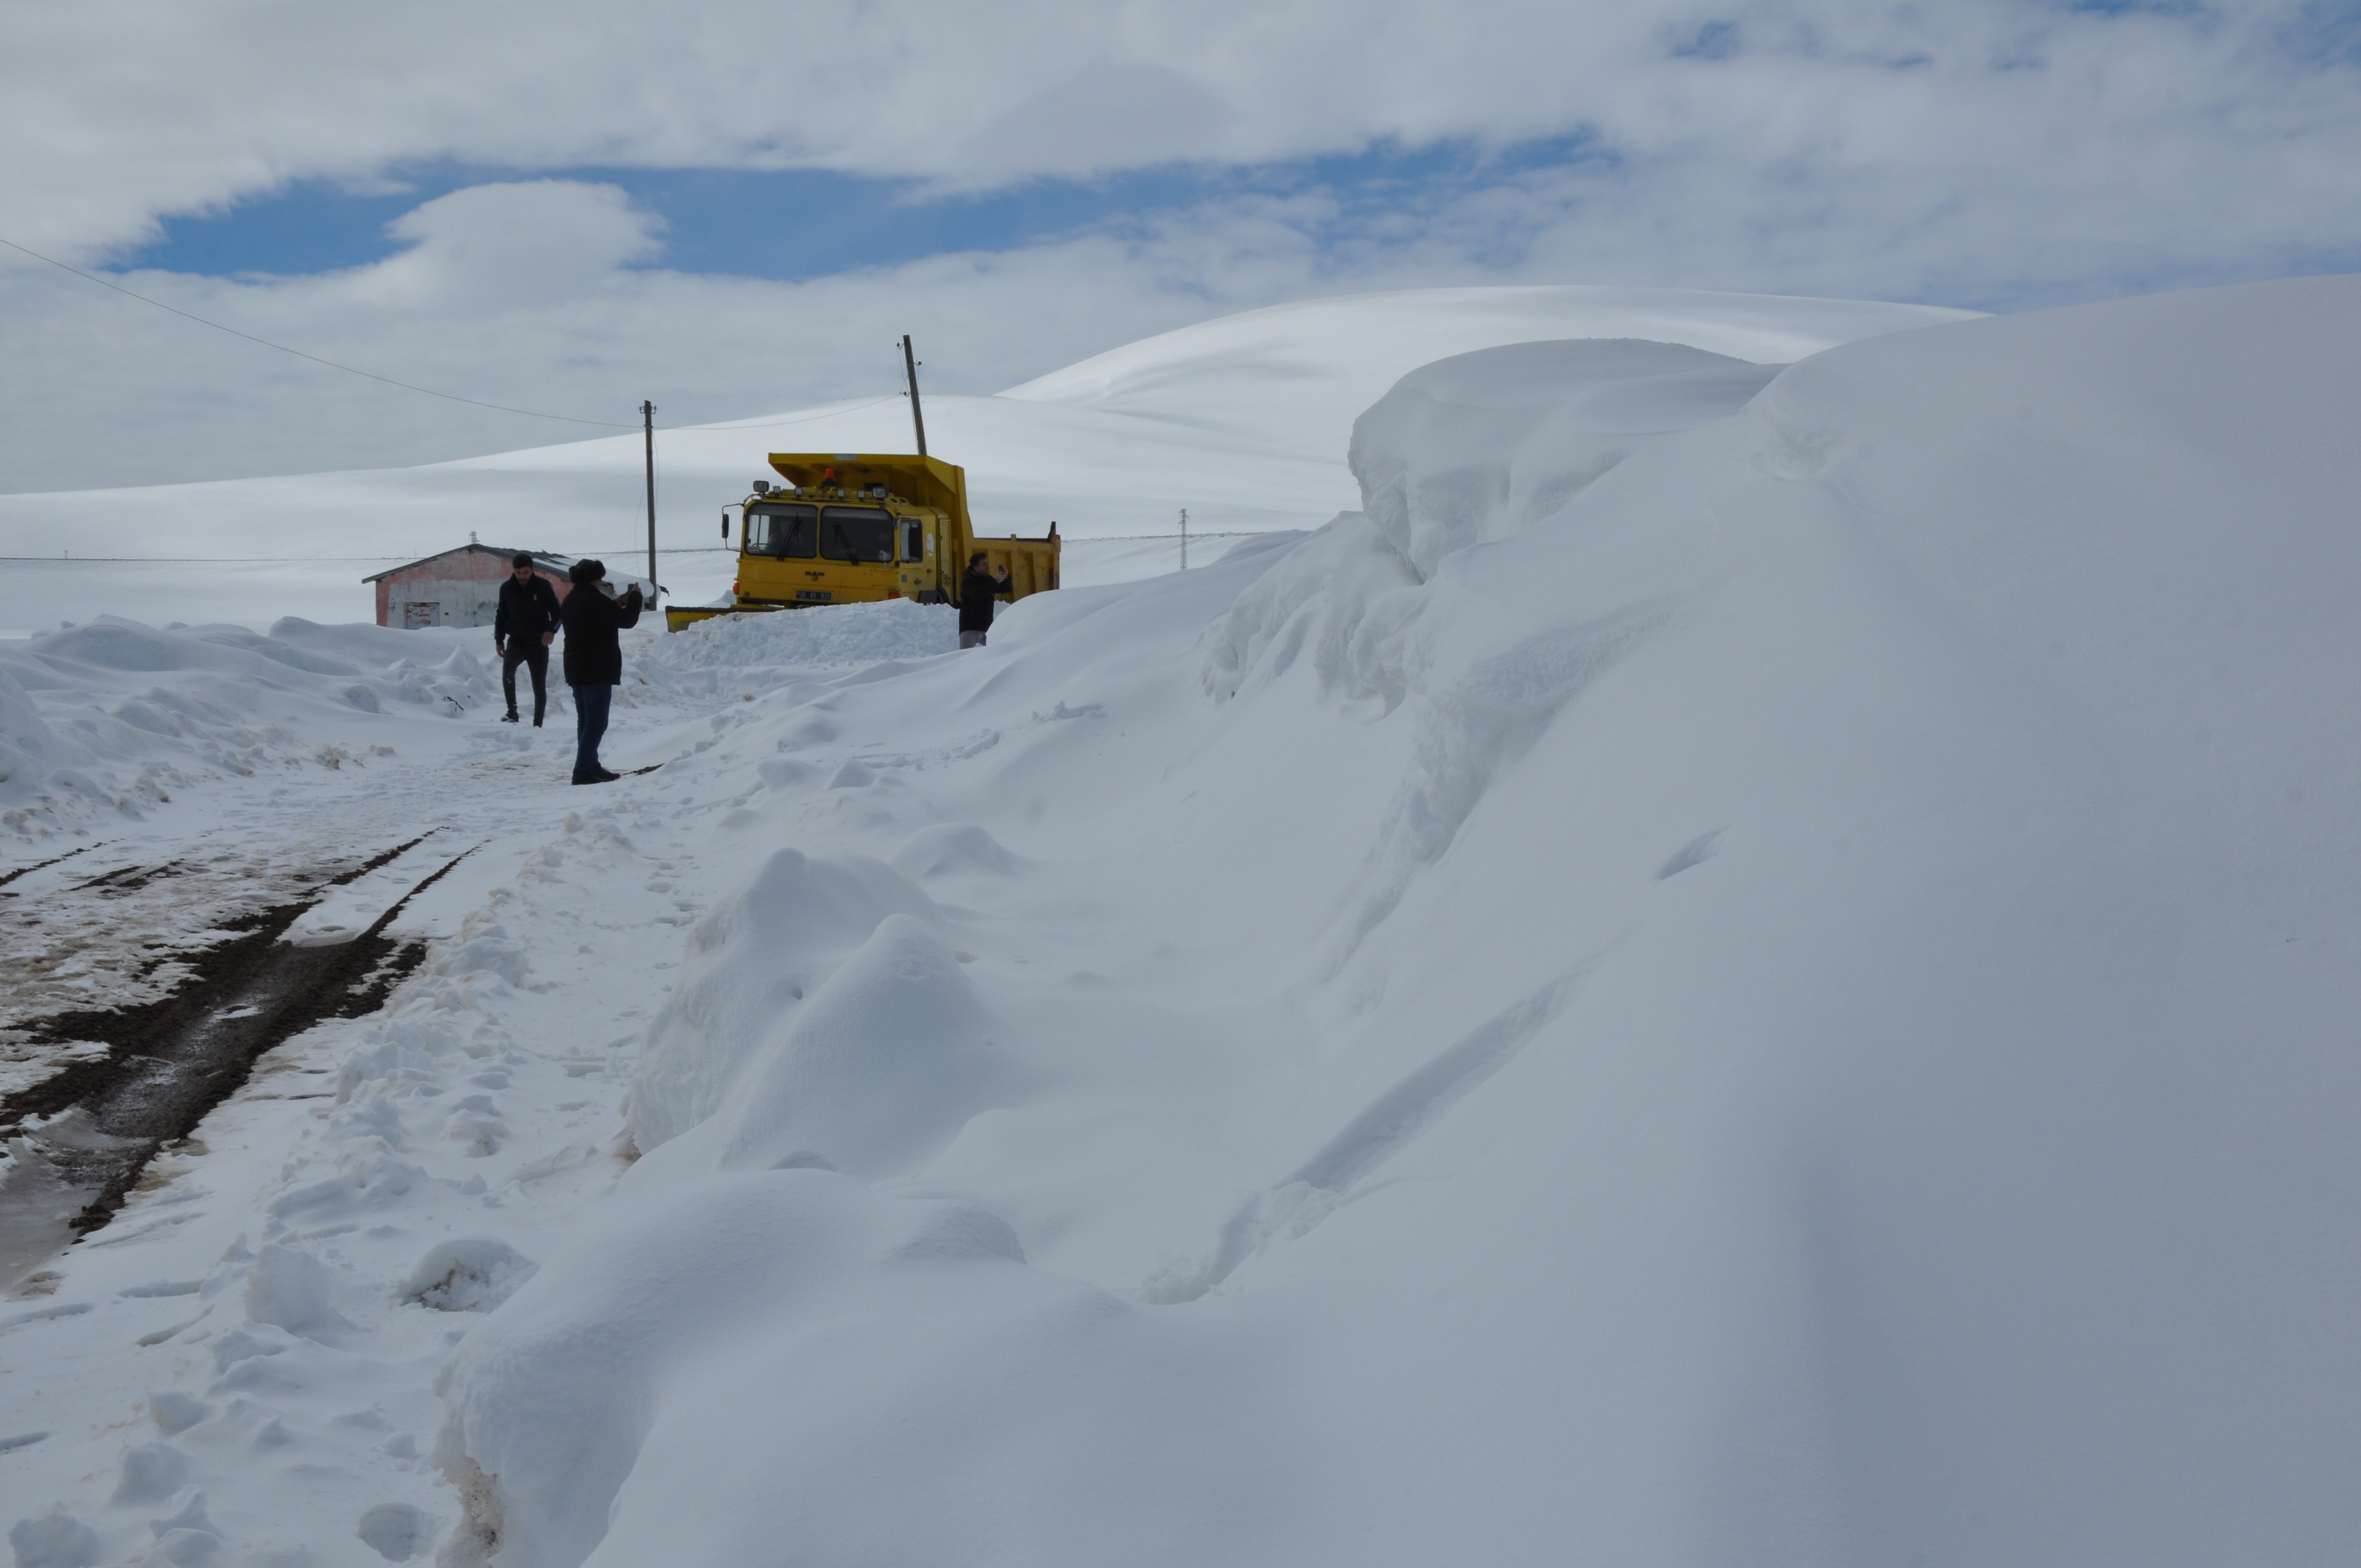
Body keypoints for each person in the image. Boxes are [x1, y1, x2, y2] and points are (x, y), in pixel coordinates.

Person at [558, 559, 643, 785]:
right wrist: (635, 598)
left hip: (577, 668)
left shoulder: (571, 600)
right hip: (596, 669)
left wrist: (615, 603)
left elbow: (594, 620)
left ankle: (591, 765)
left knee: (585, 723)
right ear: (595, 579)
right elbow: (628, 621)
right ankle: (583, 771)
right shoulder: (595, 600)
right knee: (596, 725)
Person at [492, 553, 562, 725]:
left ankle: (537, 724)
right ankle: (512, 712)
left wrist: (552, 630)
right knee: (508, 671)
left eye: (526, 572)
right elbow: (501, 616)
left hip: (539, 642)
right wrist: (499, 640)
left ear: (532, 570)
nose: (522, 576)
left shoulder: (544, 586)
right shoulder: (507, 588)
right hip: (516, 641)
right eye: (519, 573)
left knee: (539, 685)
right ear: (514, 571)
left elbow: (558, 613)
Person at [958, 552, 1010, 650]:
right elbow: (977, 594)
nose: (988, 566)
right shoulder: (967, 582)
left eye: (988, 563)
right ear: (976, 567)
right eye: (984, 564)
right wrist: (995, 582)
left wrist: (1006, 578)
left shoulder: (988, 580)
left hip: (987, 629)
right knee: (964, 658)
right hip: (971, 628)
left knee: (997, 652)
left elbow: (1007, 589)